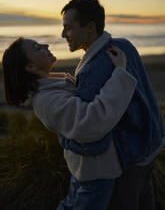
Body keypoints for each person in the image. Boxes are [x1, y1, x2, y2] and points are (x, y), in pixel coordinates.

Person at [2, 37, 137, 210]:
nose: (46, 45)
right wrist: (120, 73)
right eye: (37, 48)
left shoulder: (54, 86)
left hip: (89, 170)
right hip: (94, 175)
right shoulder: (47, 100)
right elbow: (93, 121)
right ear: (30, 67)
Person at [60, 0, 165, 210]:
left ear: (90, 27)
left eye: (68, 28)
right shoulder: (123, 45)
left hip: (129, 160)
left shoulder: (92, 69)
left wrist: (64, 139)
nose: (63, 34)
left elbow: (92, 135)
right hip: (151, 146)